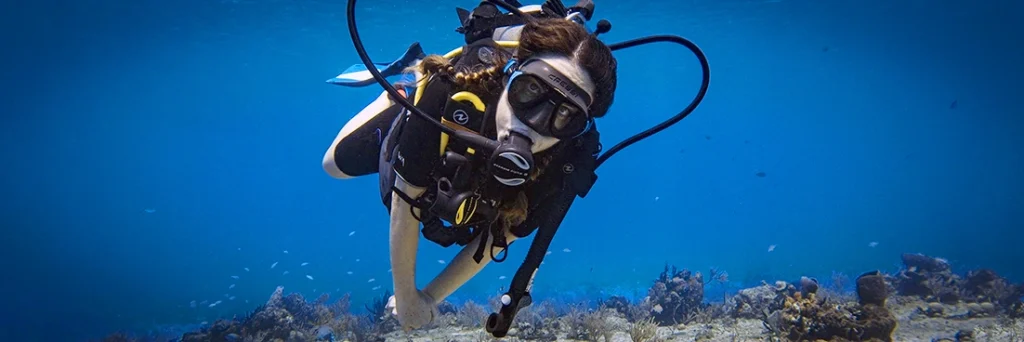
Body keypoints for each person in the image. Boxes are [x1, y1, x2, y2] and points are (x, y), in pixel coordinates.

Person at [325, 0, 710, 336]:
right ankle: (408, 83)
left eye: (564, 118)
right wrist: (408, 294)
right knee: (334, 166)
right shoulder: (454, 90)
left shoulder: (566, 159)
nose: (535, 124)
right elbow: (405, 198)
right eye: (529, 93)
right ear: (512, 74)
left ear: (577, 129)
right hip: (427, 116)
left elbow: (501, 235)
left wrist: (430, 297)